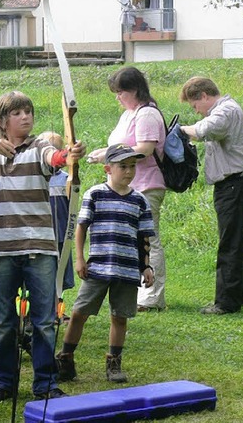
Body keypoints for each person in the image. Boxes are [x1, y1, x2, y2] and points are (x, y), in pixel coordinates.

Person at [0, 91, 85, 402]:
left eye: (28, 111)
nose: (25, 117)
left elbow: (56, 158)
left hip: (39, 247)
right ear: (2, 121)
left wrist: (70, 154)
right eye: (17, 113)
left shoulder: (39, 147)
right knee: (4, 321)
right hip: (2, 250)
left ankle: (45, 385)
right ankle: (4, 384)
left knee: (44, 320)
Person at [56, 143, 155, 383]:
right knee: (79, 312)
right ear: (108, 169)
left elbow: (144, 239)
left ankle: (114, 362)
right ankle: (66, 359)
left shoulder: (140, 201)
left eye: (132, 166)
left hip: (127, 269)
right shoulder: (95, 194)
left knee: (119, 317)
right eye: (123, 166)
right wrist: (80, 258)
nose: (129, 171)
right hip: (98, 267)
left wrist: (146, 265)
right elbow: (81, 227)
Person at [87, 67, 168, 312]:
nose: (117, 97)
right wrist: (104, 153)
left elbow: (144, 149)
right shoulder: (129, 114)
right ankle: (137, 289)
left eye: (120, 92)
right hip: (128, 185)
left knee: (148, 239)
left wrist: (108, 155)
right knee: (132, 240)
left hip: (147, 184)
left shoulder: (147, 115)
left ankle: (152, 296)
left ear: (133, 90)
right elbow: (124, 145)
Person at [178, 77, 243, 314]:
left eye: (195, 106)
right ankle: (238, 295)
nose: (197, 111)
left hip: (233, 185)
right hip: (236, 185)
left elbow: (202, 131)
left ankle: (226, 302)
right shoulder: (226, 110)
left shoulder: (225, 111)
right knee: (237, 241)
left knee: (230, 243)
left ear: (203, 95)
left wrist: (178, 130)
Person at [40, 132, 75, 322]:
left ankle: (57, 309)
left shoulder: (65, 178)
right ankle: (43, 309)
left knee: (59, 274)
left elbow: (71, 205)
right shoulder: (38, 178)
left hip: (61, 234)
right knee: (43, 273)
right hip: (42, 235)